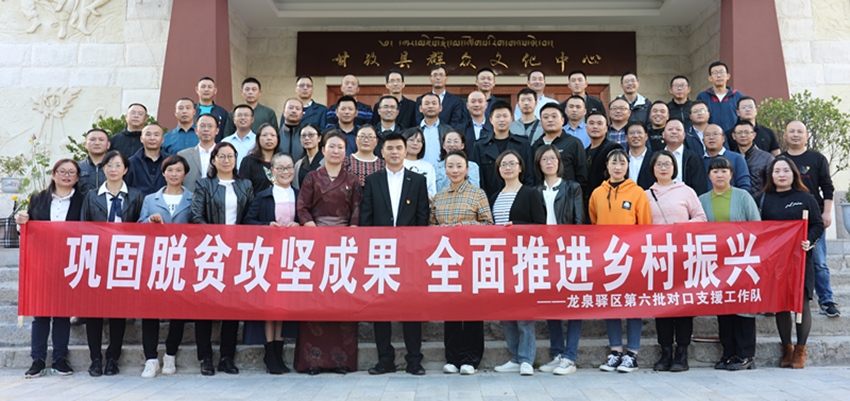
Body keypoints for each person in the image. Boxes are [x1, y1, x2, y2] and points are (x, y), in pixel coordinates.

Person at [361, 133, 430, 376]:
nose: (394, 152)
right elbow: (366, 218)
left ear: (406, 151)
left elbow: (422, 218)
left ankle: (414, 360)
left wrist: (418, 250)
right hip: (380, 253)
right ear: (382, 152)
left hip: (410, 253)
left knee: (411, 306)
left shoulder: (418, 180)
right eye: (389, 148)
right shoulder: (372, 180)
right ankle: (385, 359)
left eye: (399, 148)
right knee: (381, 308)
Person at [294, 130, 361, 375]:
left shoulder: (352, 180)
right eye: (331, 146)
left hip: (343, 246)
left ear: (346, 152)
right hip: (316, 243)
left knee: (342, 298)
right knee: (315, 299)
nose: (335, 151)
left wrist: (351, 232)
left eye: (340, 147)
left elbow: (357, 210)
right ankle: (313, 361)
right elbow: (302, 207)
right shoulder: (312, 177)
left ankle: (342, 361)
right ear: (323, 150)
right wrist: (314, 231)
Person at [191, 142, 255, 376]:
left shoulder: (246, 185)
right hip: (211, 251)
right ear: (213, 160)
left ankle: (227, 357)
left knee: (232, 306)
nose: (226, 160)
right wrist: (216, 238)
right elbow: (196, 216)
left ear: (236, 159)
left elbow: (250, 216)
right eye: (221, 156)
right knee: (204, 307)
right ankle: (205, 357)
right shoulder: (204, 184)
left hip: (237, 251)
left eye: (230, 156)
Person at [17, 159, 84, 378]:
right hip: (41, 262)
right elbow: (26, 229)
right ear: (53, 175)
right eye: (62, 171)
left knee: (62, 313)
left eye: (71, 172)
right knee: (41, 313)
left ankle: (60, 358)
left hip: (69, 263)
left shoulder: (83, 201)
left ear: (77, 178)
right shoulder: (38, 199)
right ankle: (37, 359)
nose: (66, 175)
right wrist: (21, 221)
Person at [80, 150, 144, 377]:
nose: (113, 169)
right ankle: (95, 359)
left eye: (118, 165)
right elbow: (83, 227)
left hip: (124, 260)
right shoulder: (91, 196)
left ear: (125, 170)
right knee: (93, 310)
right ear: (103, 169)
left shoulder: (136, 196)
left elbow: (141, 226)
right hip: (97, 258)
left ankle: (112, 358)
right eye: (109, 165)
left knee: (118, 310)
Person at [588, 148, 652, 374]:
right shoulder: (597, 193)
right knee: (610, 303)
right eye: (613, 162)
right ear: (607, 166)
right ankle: (615, 351)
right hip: (606, 258)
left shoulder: (637, 192)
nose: (618, 167)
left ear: (628, 166)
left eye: (622, 163)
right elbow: (594, 221)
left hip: (631, 257)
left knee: (633, 305)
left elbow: (645, 226)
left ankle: (632, 354)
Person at [430, 149, 493, 375]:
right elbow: (430, 226)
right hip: (448, 262)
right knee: (451, 309)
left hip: (472, 260)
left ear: (467, 169)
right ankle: (452, 357)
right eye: (450, 166)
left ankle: (470, 358)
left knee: (473, 310)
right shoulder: (439, 197)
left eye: (459, 166)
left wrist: (464, 228)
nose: (455, 170)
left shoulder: (477, 194)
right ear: (445, 170)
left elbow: (488, 225)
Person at [759, 156, 824, 369]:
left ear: (794, 174)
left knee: (801, 303)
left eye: (786, 170)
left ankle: (800, 349)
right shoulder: (763, 199)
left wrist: (809, 241)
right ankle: (786, 349)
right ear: (771, 175)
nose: (781, 175)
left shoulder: (805, 198)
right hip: (775, 261)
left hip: (800, 258)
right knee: (781, 305)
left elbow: (817, 224)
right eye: (777, 171)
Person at [645, 150, 707, 372]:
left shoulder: (686, 191)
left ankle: (682, 352)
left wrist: (680, 227)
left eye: (668, 164)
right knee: (662, 306)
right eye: (659, 164)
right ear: (652, 168)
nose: (664, 168)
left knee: (683, 305)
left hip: (683, 257)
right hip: (657, 258)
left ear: (674, 167)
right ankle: (665, 352)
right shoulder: (645, 194)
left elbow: (701, 218)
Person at [698, 156, 761, 371]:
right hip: (716, 264)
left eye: (724, 171)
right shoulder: (703, 200)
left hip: (741, 262)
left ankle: (745, 354)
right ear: (709, 175)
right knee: (723, 307)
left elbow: (756, 226)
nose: (720, 175)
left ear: (731, 175)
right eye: (715, 171)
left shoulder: (743, 196)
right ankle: (728, 353)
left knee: (743, 307)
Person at [136, 155, 195, 379]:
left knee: (178, 310)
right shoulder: (151, 199)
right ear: (163, 173)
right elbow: (139, 224)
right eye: (169, 170)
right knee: (150, 310)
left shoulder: (192, 198)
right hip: (155, 260)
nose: (173, 174)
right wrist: (149, 220)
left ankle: (170, 354)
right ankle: (151, 358)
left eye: (178, 170)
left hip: (182, 260)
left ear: (185, 174)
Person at [490, 150, 546, 376]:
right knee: (505, 314)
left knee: (524, 314)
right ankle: (514, 357)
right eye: (503, 164)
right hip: (499, 260)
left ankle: (526, 359)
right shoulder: (494, 196)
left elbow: (540, 225)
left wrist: (518, 225)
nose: (508, 167)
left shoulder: (530, 193)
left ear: (521, 168)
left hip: (523, 259)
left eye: (512, 163)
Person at [244, 153, 300, 375]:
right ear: (272, 172)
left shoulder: (300, 195)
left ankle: (279, 351)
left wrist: (300, 225)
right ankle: (270, 354)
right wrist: (267, 225)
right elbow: (248, 221)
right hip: (269, 256)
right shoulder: (263, 196)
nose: (285, 172)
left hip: (293, 257)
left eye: (289, 168)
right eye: (280, 168)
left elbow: (308, 219)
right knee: (271, 306)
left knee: (284, 306)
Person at [533, 145, 583, 376]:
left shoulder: (572, 187)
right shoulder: (534, 191)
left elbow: (579, 221)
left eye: (553, 158)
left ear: (559, 162)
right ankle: (557, 354)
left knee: (573, 303)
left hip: (568, 251)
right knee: (550, 303)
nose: (549, 162)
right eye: (544, 159)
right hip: (544, 253)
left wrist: (574, 249)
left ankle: (570, 357)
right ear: (538, 163)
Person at [780, 121, 839, 318]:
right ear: (785, 136)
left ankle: (826, 300)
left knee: (819, 262)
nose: (795, 135)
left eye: (800, 131)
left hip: (813, 219)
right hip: (787, 220)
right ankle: (783, 299)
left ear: (806, 136)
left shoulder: (817, 158)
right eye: (791, 131)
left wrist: (827, 212)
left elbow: (827, 187)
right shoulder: (780, 160)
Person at [474, 101, 533, 199]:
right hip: (489, 199)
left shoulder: (523, 144)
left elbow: (529, 176)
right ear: (491, 120)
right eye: (497, 117)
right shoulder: (480, 146)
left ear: (511, 119)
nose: (501, 120)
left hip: (519, 198)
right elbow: (479, 178)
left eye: (505, 116)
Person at [639, 119, 708, 196]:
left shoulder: (693, 158)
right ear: (663, 134)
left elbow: (699, 188)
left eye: (678, 129)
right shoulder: (653, 158)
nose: (674, 132)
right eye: (670, 129)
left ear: (684, 135)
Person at [531, 103, 588, 192]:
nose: (550, 120)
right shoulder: (536, 146)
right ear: (541, 122)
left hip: (568, 196)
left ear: (562, 120)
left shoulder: (574, 143)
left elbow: (582, 175)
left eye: (554, 116)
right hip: (540, 197)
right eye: (546, 117)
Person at [702, 124, 751, 193]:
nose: (711, 137)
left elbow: (744, 185)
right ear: (703, 140)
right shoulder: (700, 161)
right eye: (707, 135)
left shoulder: (736, 158)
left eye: (715, 134)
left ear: (723, 139)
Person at [696, 61, 744, 132]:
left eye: (721, 72)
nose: (718, 76)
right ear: (710, 78)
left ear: (728, 76)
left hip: (733, 136)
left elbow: (742, 118)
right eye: (715, 73)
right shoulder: (703, 96)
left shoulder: (737, 96)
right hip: (710, 136)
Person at [585, 111, 623, 199]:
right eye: (591, 123)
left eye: (599, 123)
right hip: (588, 200)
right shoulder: (584, 151)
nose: (595, 126)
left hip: (608, 198)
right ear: (586, 128)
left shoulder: (613, 148)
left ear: (606, 128)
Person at [126, 123, 170, 197]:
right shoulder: (131, 162)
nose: (152, 138)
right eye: (148, 135)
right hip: (138, 203)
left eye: (156, 135)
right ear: (141, 139)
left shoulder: (170, 162)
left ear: (162, 139)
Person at [731, 120, 774, 196]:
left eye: (747, 132)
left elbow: (772, 186)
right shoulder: (730, 158)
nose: (743, 135)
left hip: (759, 202)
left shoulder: (767, 158)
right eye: (739, 132)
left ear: (754, 135)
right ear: (733, 136)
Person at [178, 113, 218, 192]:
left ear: (217, 131)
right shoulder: (183, 155)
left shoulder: (225, 155)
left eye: (210, 126)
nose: (206, 129)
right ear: (196, 130)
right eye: (202, 126)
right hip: (190, 197)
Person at [434, 128, 480, 192]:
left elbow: (475, 190)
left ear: (462, 145)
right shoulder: (435, 167)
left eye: (456, 141)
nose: (452, 144)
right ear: (443, 145)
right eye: (448, 141)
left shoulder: (472, 166)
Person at [239, 122, 279, 195]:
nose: (269, 138)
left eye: (273, 135)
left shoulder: (282, 161)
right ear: (258, 138)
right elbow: (243, 190)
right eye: (264, 135)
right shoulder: (248, 161)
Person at [402, 127, 437, 198]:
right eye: (411, 140)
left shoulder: (428, 166)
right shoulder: (397, 163)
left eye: (419, 141)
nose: (415, 143)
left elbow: (432, 193)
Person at [418, 92, 452, 164]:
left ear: (440, 108)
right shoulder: (414, 131)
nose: (430, 106)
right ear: (420, 108)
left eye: (434, 103)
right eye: (427, 104)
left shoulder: (449, 130)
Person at [462, 90, 493, 160]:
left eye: (480, 101)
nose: (477, 105)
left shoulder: (494, 128)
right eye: (473, 101)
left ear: (486, 105)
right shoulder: (460, 129)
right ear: (467, 105)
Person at [292, 124, 324, 190]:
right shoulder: (298, 165)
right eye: (303, 136)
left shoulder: (327, 161)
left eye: (311, 135)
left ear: (319, 138)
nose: (307, 138)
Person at [78, 128, 110, 193]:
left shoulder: (116, 167)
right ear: (85, 144)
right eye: (92, 140)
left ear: (108, 144)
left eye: (101, 140)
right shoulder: (78, 167)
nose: (97, 143)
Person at [625, 122, 654, 190]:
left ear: (646, 136)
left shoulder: (655, 159)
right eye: (631, 133)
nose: (636, 136)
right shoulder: (622, 159)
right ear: (626, 138)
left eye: (639, 132)